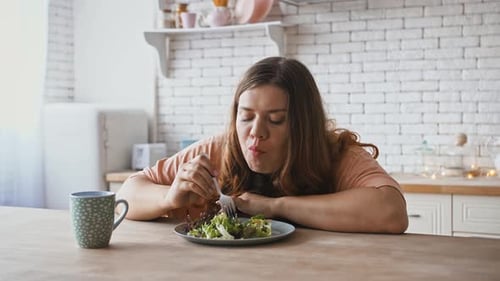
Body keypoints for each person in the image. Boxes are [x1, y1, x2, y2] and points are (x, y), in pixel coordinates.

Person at [117, 56, 408, 234]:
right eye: (246, 117)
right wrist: (169, 198)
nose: (256, 133)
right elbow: (127, 194)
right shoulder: (219, 148)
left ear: (302, 126)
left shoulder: (336, 153)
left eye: (276, 119)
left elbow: (391, 212)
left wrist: (275, 206)